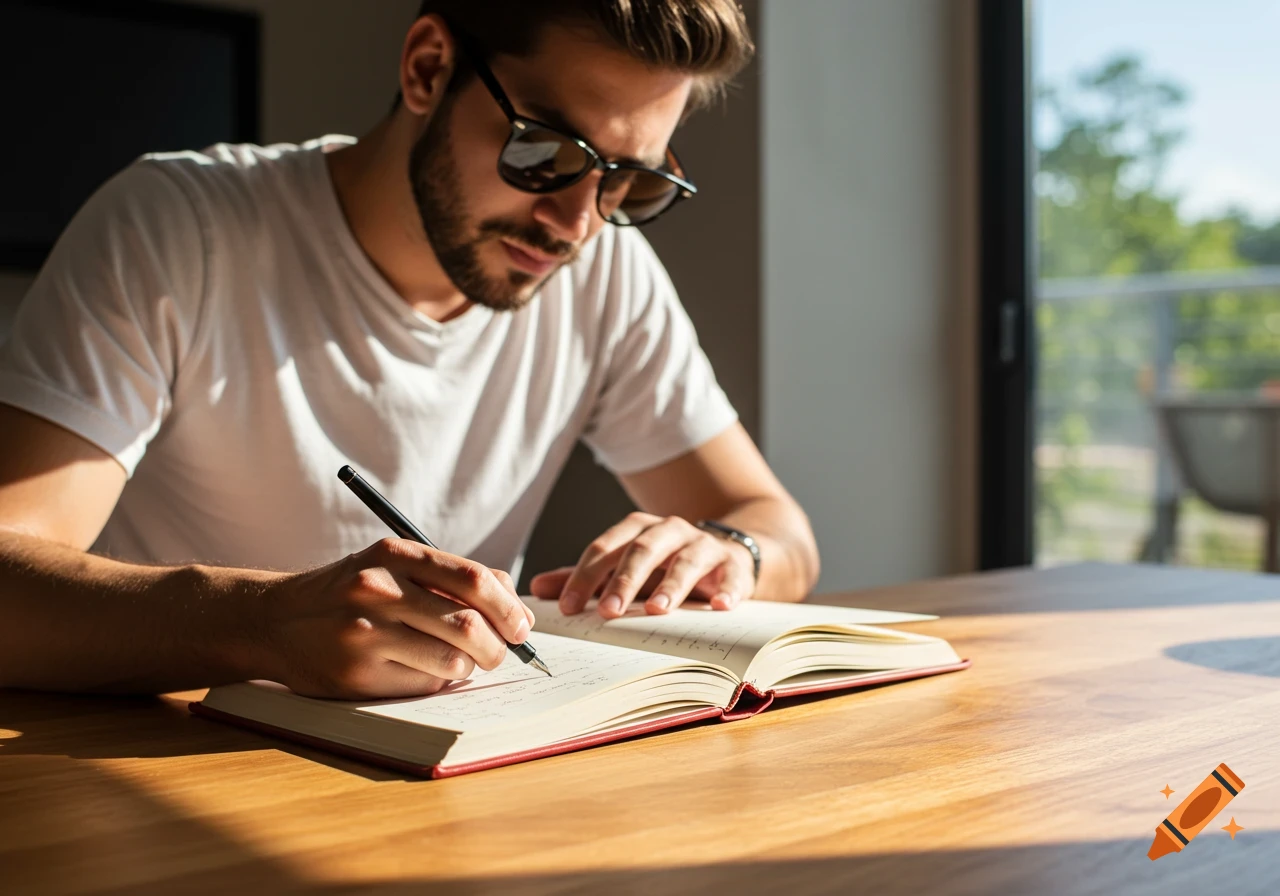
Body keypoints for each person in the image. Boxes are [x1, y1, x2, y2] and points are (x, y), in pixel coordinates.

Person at [0, 0, 818, 700]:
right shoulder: (179, 228)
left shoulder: (602, 269)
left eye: (625, 181)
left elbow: (779, 529)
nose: (576, 222)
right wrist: (258, 624)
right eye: (546, 152)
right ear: (428, 68)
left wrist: (729, 551)